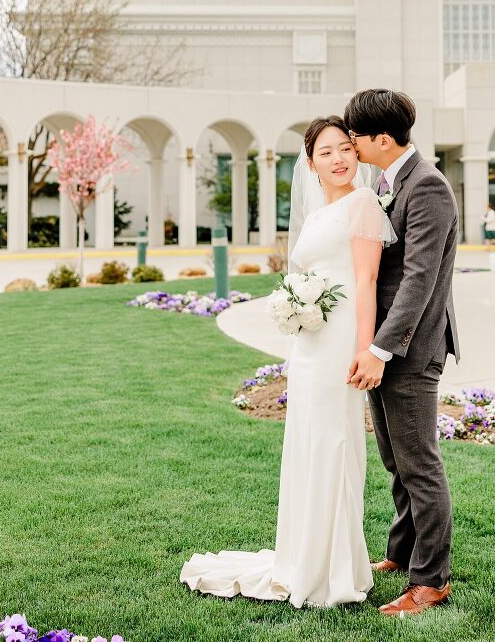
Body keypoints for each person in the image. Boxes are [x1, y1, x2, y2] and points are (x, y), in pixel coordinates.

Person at [179, 115, 395, 607]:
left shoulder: (364, 205)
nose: (338, 159)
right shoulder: (319, 212)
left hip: (342, 342)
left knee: (335, 441)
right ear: (311, 163)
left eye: (345, 148)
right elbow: (310, 270)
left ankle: (334, 569)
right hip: (310, 345)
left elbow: (364, 283)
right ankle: (303, 557)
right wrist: (296, 306)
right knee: (308, 442)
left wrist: (367, 348)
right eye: (326, 152)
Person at [344, 88, 460, 617]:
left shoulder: (429, 187)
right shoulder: (390, 181)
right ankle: (402, 553)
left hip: (410, 349)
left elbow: (418, 279)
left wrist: (380, 348)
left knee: (419, 465)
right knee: (395, 459)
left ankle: (431, 580)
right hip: (387, 344)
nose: (350, 144)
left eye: (357, 137)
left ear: (383, 139)